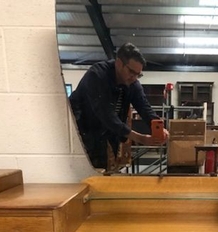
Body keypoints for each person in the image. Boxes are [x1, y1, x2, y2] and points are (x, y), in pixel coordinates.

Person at [69, 42, 169, 171]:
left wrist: (159, 128)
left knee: (106, 170)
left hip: (107, 134)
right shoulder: (97, 75)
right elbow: (106, 115)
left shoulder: (132, 82)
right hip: (81, 132)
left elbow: (144, 107)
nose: (134, 77)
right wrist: (140, 138)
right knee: (88, 172)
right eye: (131, 72)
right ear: (118, 63)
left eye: (138, 74)